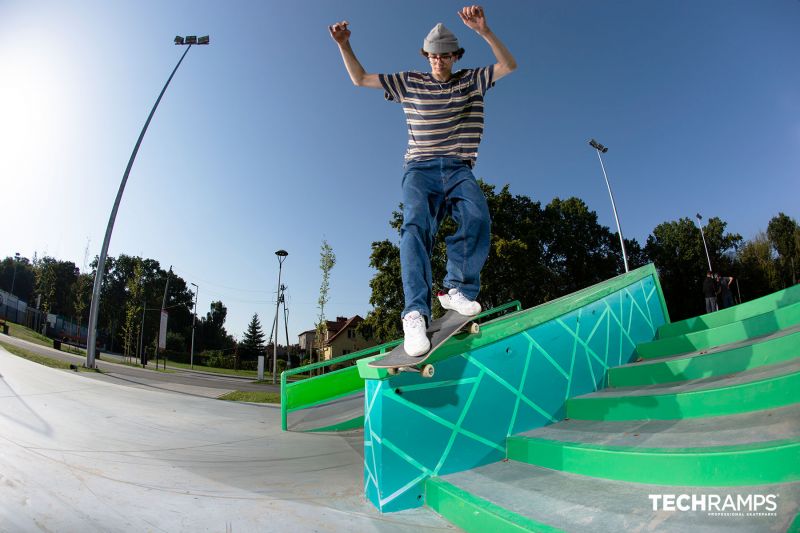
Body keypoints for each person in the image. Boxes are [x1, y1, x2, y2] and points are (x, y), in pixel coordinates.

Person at [329, 6, 517, 356]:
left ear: (455, 56)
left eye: (445, 57)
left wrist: (485, 32)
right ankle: (415, 312)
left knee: (477, 217)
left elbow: (508, 66)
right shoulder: (409, 81)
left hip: (459, 168)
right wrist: (343, 45)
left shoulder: (470, 79)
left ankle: (455, 289)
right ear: (426, 55)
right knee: (415, 228)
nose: (439, 63)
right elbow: (360, 79)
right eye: (433, 56)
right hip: (419, 169)